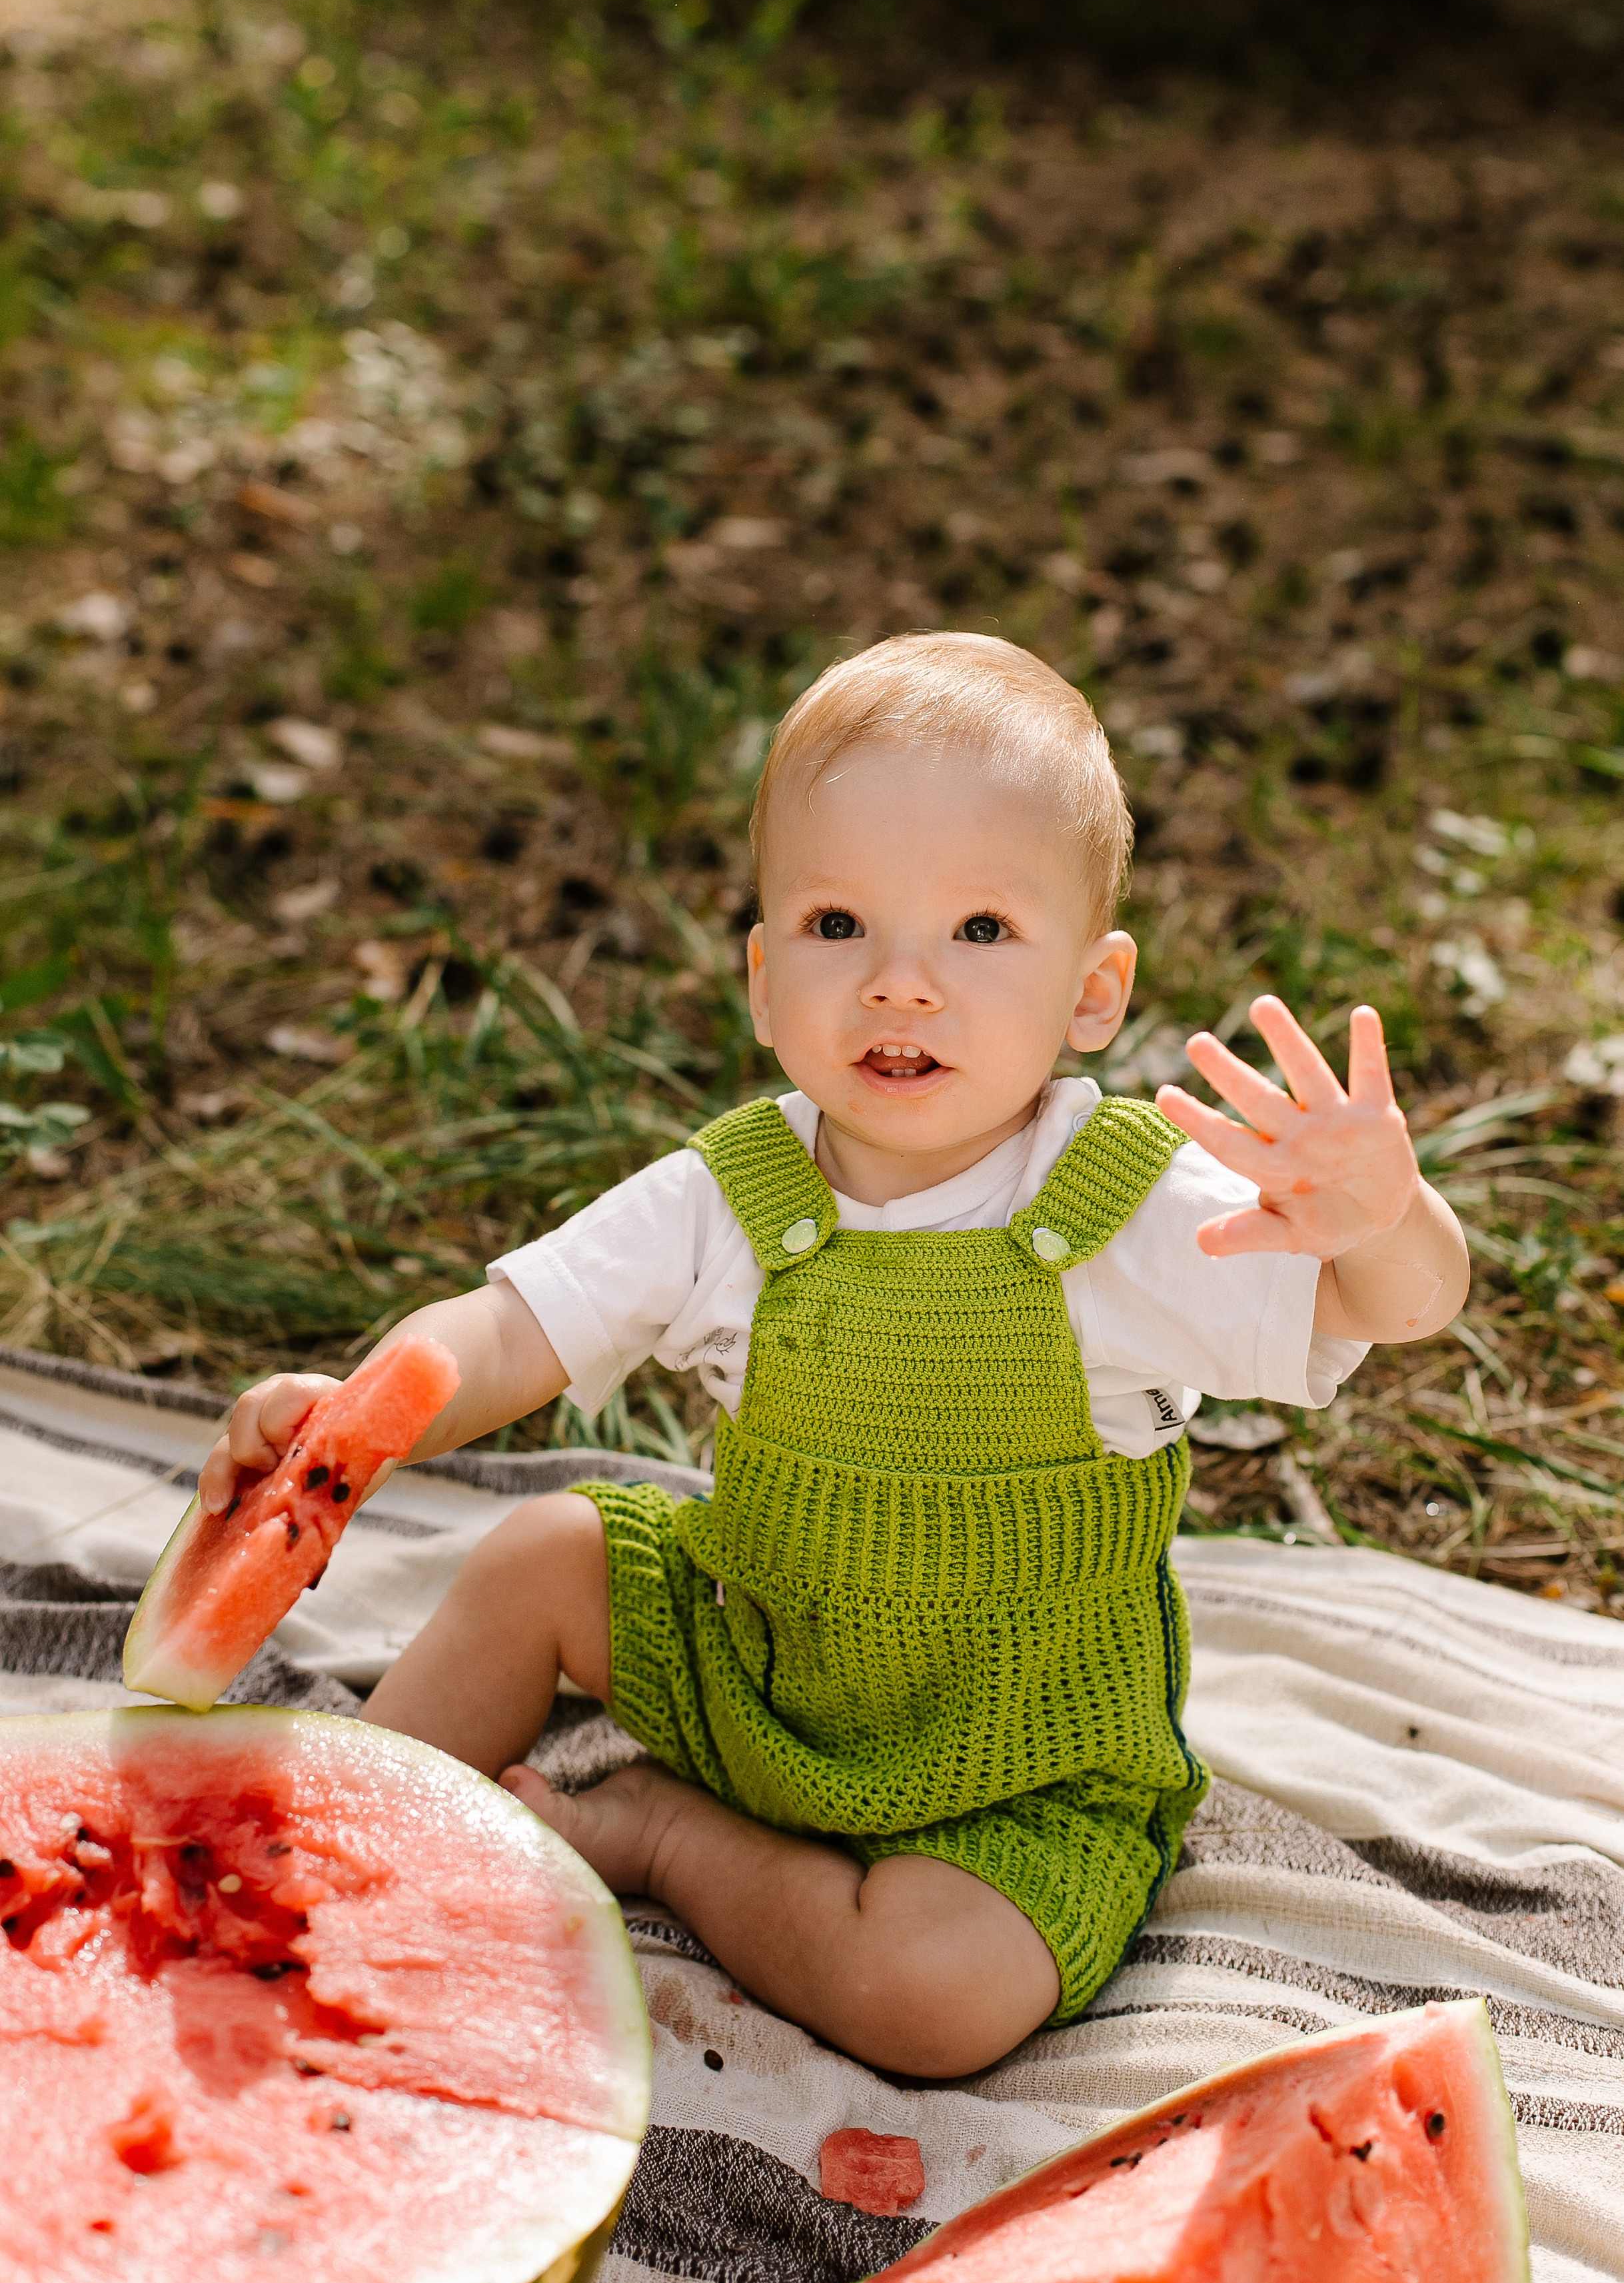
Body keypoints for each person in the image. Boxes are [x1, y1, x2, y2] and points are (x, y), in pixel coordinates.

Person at [199, 633, 1469, 2079]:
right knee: (539, 1557)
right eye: (837, 924)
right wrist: (356, 1415)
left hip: (1014, 1771)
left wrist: (1387, 1220)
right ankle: (325, 1861)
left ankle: (665, 1836)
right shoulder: (731, 1189)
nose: (900, 986)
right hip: (753, 1663)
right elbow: (509, 1327)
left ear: (1093, 994)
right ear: (761, 972)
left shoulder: (1121, 1207)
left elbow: (1387, 1308)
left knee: (930, 1996)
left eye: (980, 931)